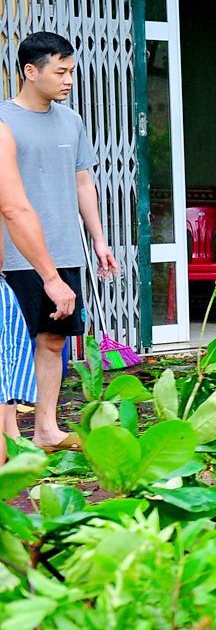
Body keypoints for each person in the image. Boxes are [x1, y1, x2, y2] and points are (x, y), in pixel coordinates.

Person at [3, 33, 119, 450]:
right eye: (61, 71)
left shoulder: (72, 121)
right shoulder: (4, 122)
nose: (69, 80)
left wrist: (100, 241)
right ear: (30, 72)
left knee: (53, 341)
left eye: (71, 71)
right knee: (11, 347)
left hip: (64, 251)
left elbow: (83, 182)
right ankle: (9, 437)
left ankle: (47, 428)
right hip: (15, 257)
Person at [0, 117, 77, 445]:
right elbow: (15, 209)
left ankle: (30, 432)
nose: (68, 80)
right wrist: (50, 277)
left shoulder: (70, 123)